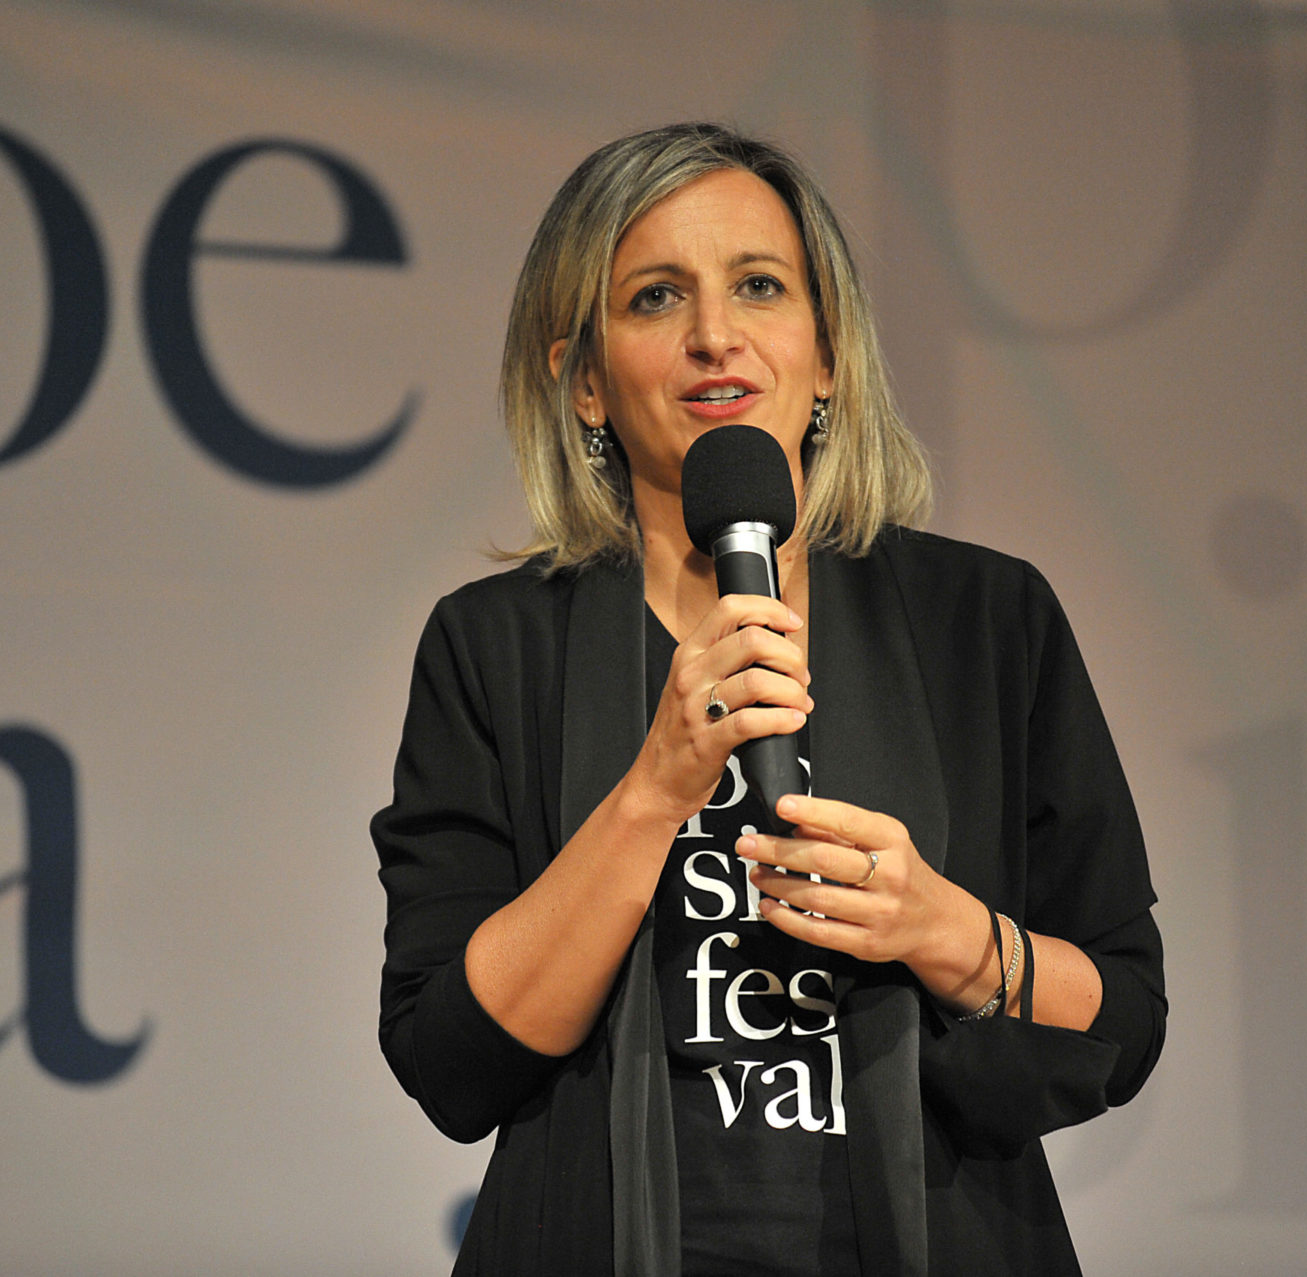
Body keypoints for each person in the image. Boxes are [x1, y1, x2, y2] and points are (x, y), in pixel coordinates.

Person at [373, 122, 1165, 1276]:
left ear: (828, 351)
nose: (714, 336)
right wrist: (652, 791)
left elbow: (1121, 1017)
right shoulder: (494, 646)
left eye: (758, 285)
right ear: (583, 380)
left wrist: (937, 925)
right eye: (654, 297)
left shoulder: (986, 619)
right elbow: (452, 1058)